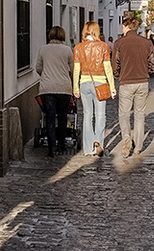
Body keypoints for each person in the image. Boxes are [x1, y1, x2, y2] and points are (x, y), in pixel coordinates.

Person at [112, 12, 154, 158]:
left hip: (126, 82)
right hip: (142, 82)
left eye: (123, 27)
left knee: (124, 114)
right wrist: (147, 72)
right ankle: (138, 146)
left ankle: (126, 138)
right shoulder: (146, 42)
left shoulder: (119, 43)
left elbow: (115, 64)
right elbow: (153, 64)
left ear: (126, 26)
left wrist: (119, 74)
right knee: (139, 114)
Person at [72, 22, 116, 156]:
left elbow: (76, 70)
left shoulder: (78, 47)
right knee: (101, 115)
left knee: (87, 115)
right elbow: (108, 68)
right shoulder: (103, 47)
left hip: (84, 83)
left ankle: (88, 149)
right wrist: (112, 87)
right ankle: (98, 140)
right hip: (100, 83)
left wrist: (75, 88)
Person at [35, 26, 74, 155]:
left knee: (50, 117)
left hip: (47, 89)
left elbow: (38, 68)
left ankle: (51, 147)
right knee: (63, 117)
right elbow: (73, 69)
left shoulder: (43, 49)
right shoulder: (67, 50)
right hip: (64, 88)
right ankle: (61, 145)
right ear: (63, 36)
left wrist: (47, 75)